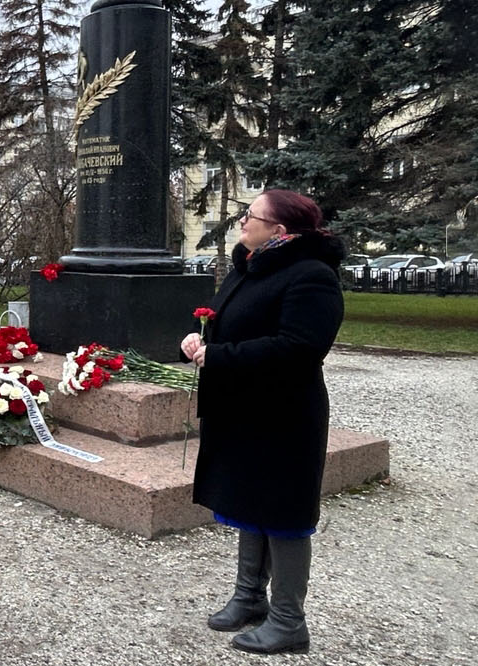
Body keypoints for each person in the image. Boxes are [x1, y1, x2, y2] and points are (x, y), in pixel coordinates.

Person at [180, 189, 345, 655]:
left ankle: (289, 620)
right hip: (240, 409)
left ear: (280, 231)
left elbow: (300, 348)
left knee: (284, 513)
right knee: (248, 501)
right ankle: (249, 597)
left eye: (250, 216)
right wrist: (197, 343)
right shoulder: (248, 266)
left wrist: (220, 355)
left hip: (282, 414)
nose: (241, 223)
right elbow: (225, 324)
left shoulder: (311, 276)